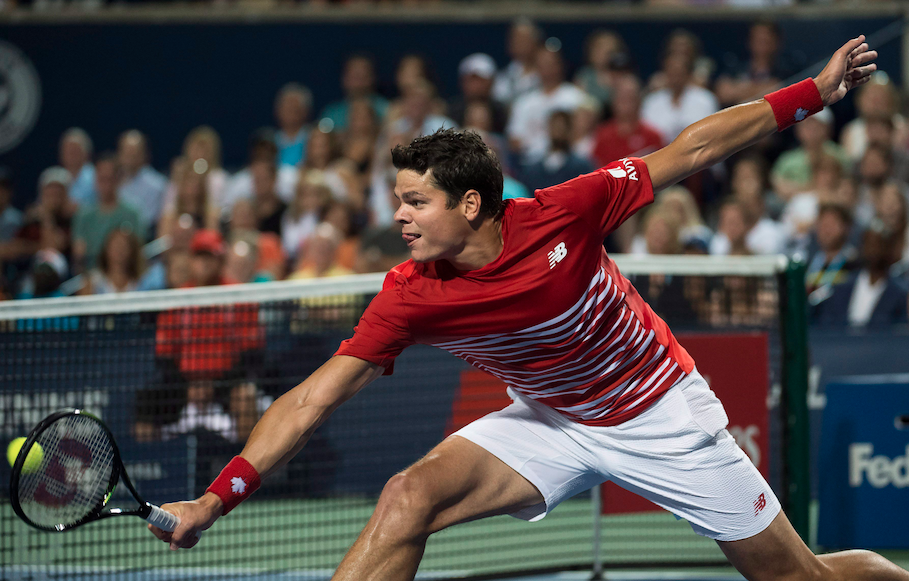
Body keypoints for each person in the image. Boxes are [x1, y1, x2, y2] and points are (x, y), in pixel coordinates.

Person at [150, 37, 909, 581]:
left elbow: (692, 149)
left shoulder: (562, 213)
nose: (402, 218)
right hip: (552, 420)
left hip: (660, 415)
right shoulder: (410, 293)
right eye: (398, 201)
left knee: (798, 576)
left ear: (470, 201)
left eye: (417, 202)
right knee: (408, 496)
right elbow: (314, 395)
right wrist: (216, 500)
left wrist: (812, 91)